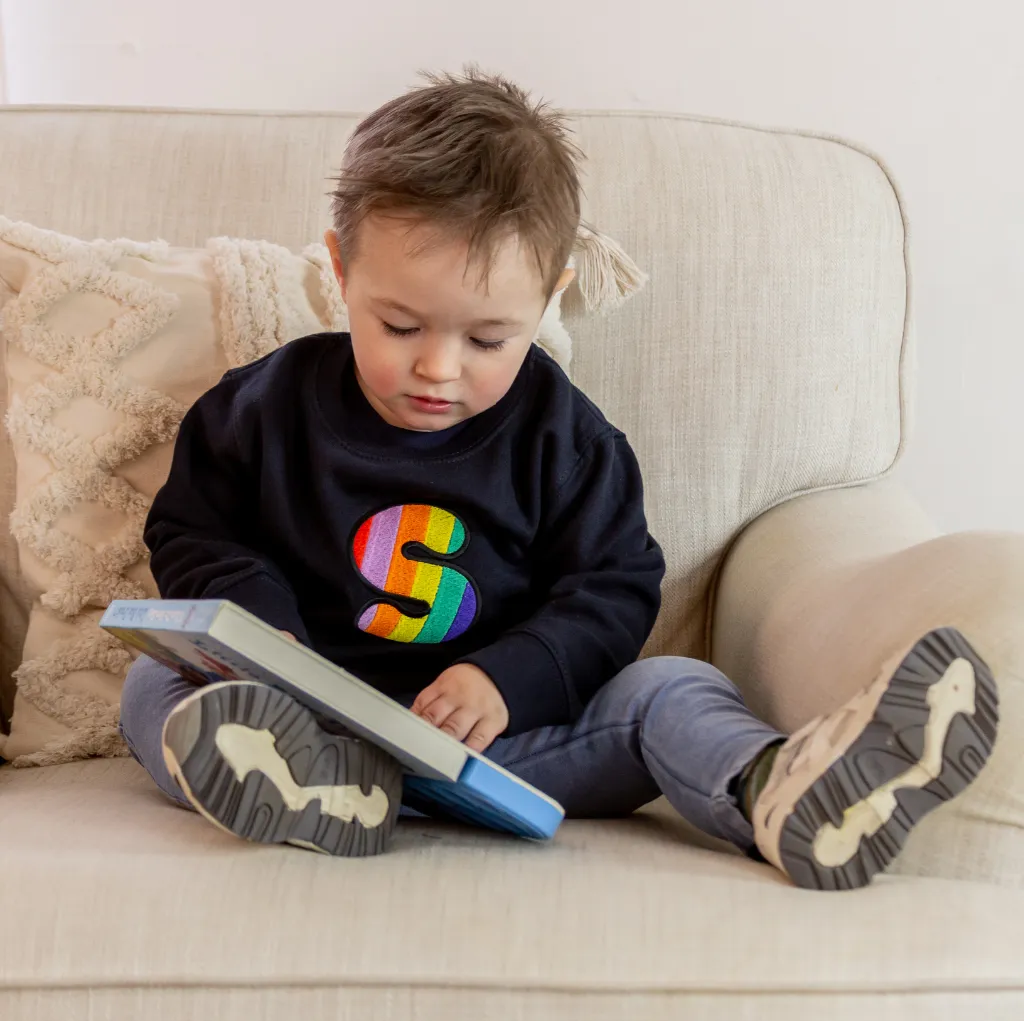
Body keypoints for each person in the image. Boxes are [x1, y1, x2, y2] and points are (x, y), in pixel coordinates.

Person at [119, 69, 999, 889]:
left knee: (674, 688)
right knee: (150, 689)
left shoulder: (565, 440)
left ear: (549, 300)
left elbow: (615, 588)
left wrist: (509, 678)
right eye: (399, 324)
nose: (439, 368)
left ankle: (778, 788)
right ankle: (321, 788)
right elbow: (194, 532)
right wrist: (266, 643)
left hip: (497, 749)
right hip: (297, 720)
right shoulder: (262, 409)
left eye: (488, 339)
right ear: (342, 274)